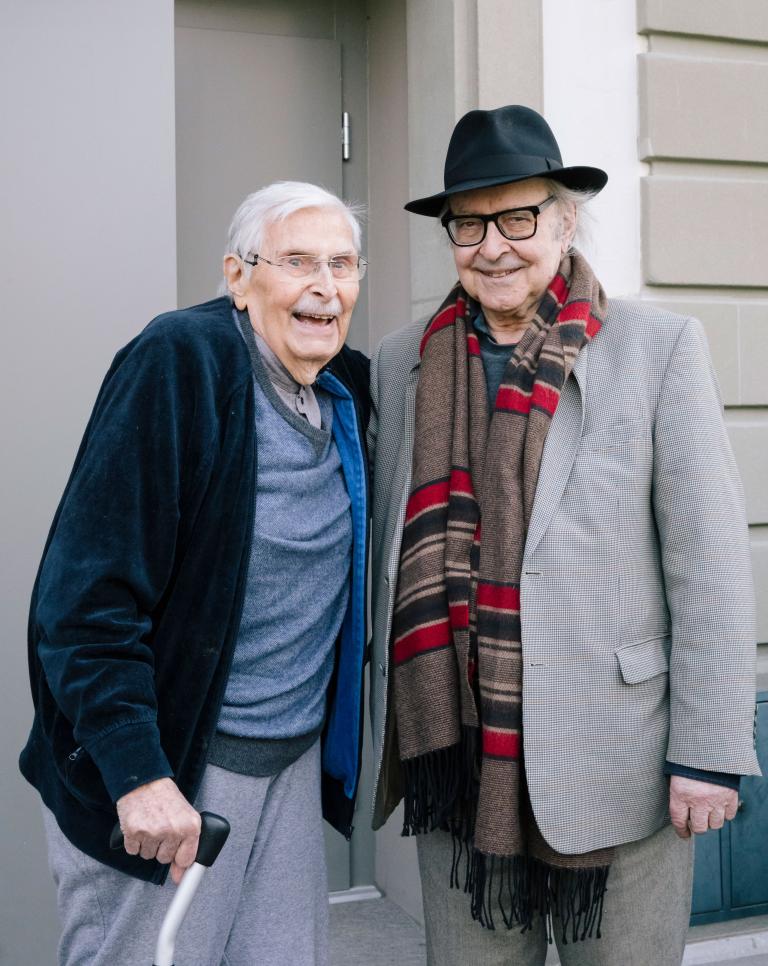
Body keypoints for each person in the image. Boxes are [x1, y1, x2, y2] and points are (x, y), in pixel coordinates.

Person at [368, 105, 760, 966]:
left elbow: (711, 567)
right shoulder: (401, 363)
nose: (494, 245)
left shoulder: (657, 348)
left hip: (621, 759)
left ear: (565, 220)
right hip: (459, 762)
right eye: (467, 224)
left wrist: (710, 751)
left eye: (518, 217)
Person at [20, 181, 370, 966]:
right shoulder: (180, 361)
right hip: (172, 773)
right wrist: (137, 771)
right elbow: (83, 601)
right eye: (297, 262)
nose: (324, 286)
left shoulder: (350, 389)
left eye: (342, 265)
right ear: (239, 277)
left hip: (288, 766)